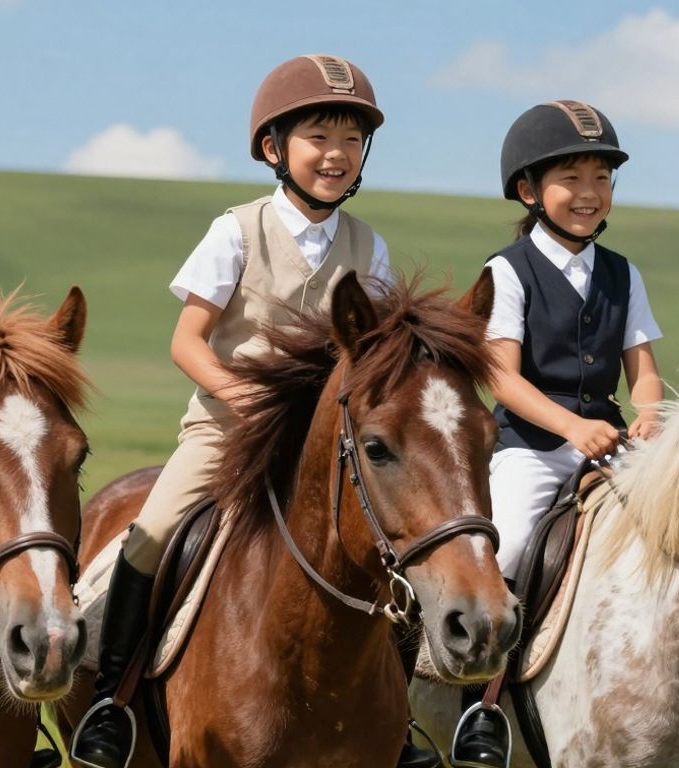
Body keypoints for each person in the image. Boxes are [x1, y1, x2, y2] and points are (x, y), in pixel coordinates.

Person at [68, 54, 439, 768]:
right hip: (229, 432)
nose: (336, 155)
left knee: (395, 552)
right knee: (151, 531)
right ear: (275, 149)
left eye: (351, 141)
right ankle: (111, 705)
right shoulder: (236, 230)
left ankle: (401, 726)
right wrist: (246, 399)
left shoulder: (371, 247)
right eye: (319, 138)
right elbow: (187, 340)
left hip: (328, 444)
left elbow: (381, 357)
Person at [450, 100, 664, 768]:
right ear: (529, 190)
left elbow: (645, 372)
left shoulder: (623, 272)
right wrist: (573, 425)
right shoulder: (506, 271)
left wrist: (651, 413)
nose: (590, 193)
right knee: (505, 552)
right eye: (572, 178)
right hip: (530, 449)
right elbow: (501, 378)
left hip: (613, 447)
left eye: (602, 178)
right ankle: (479, 710)